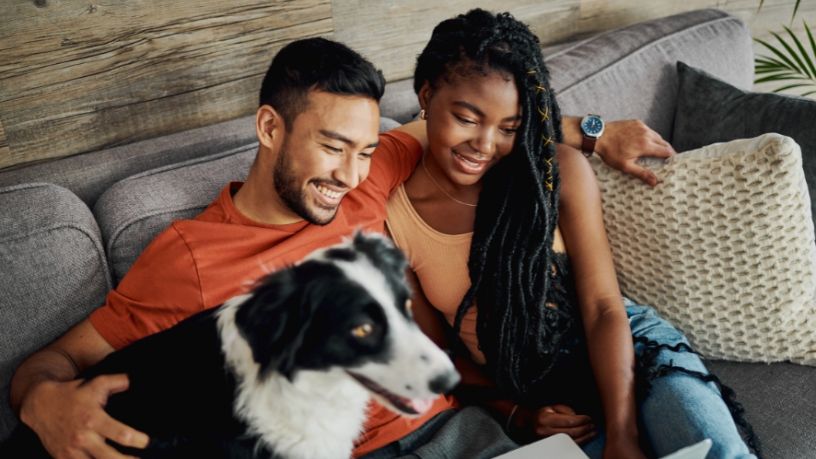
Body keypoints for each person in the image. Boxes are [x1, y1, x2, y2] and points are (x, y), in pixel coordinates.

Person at [8, 36, 674, 459]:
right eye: (332, 147)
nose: (351, 175)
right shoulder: (189, 255)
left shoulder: (367, 175)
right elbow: (56, 359)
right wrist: (43, 402)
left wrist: (594, 132)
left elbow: (482, 126)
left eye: (364, 150)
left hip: (457, 432)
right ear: (269, 127)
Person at [382, 9, 758, 459]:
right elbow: (438, 354)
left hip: (628, 353)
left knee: (718, 452)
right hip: (534, 392)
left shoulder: (555, 171)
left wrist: (623, 434)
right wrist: (518, 414)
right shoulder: (393, 215)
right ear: (427, 95)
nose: (484, 145)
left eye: (509, 128)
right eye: (466, 118)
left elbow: (603, 307)